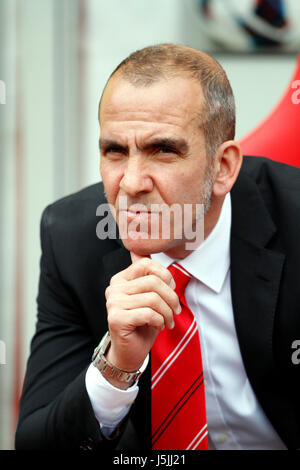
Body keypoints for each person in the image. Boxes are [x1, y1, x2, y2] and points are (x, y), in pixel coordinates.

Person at [15, 44, 300, 451]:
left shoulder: (293, 220)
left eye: (162, 150)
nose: (131, 183)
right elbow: (36, 444)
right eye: (115, 150)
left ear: (224, 168)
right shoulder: (71, 240)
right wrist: (116, 366)